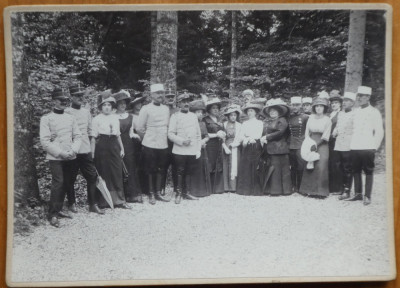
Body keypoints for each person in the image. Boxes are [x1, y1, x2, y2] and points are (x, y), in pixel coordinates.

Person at [40, 88, 82, 227]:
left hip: (70, 156)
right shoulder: (46, 119)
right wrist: (60, 153)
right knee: (58, 182)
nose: (64, 102)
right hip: (56, 157)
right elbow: (45, 141)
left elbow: (78, 136)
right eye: (60, 100)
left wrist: (74, 150)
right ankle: (52, 215)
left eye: (65, 100)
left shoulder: (71, 118)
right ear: (54, 101)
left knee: (67, 183)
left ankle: (58, 209)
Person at [65, 84, 104, 215]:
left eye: (81, 95)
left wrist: (92, 149)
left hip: (86, 149)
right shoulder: (66, 112)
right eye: (77, 96)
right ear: (71, 97)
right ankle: (71, 203)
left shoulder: (86, 112)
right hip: (72, 150)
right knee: (70, 177)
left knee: (92, 176)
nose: (80, 98)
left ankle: (92, 204)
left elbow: (90, 131)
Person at [91, 91, 131, 209]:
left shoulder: (115, 118)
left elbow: (118, 135)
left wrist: (122, 149)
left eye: (109, 105)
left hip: (114, 145)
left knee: (117, 172)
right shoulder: (96, 119)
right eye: (104, 105)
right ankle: (104, 201)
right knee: (104, 172)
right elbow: (93, 137)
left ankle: (119, 200)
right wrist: (92, 153)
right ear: (101, 107)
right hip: (102, 145)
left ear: (112, 107)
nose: (107, 107)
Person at [348, 86, 384, 205]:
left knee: (368, 171)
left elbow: (379, 131)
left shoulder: (374, 112)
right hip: (355, 146)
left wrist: (374, 147)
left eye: (362, 96)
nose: (359, 98)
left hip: (368, 146)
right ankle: (358, 194)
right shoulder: (356, 112)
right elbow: (352, 129)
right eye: (358, 96)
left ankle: (367, 196)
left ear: (368, 97)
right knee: (355, 170)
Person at [137, 83, 170, 204]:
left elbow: (166, 125)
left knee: (161, 168)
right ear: (152, 95)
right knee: (150, 168)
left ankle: (157, 192)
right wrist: (147, 138)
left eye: (162, 93)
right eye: (158, 93)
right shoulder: (146, 108)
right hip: (150, 142)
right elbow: (140, 127)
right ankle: (150, 193)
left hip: (163, 142)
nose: (160, 95)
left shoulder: (166, 109)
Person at [168, 92, 201, 204]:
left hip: (191, 149)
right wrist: (182, 141)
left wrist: (198, 149)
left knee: (188, 171)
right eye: (183, 102)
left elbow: (198, 134)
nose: (186, 104)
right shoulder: (175, 116)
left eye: (187, 101)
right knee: (179, 171)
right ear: (179, 104)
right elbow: (170, 134)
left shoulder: (193, 116)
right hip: (179, 149)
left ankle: (187, 192)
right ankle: (178, 193)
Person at [114, 90, 143, 203]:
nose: (122, 105)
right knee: (119, 169)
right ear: (116, 104)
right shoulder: (113, 116)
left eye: (124, 103)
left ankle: (132, 195)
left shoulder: (130, 116)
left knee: (130, 168)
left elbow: (131, 132)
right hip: (117, 144)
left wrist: (138, 137)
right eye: (120, 103)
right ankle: (121, 196)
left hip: (129, 145)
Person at [299, 97, 332, 198]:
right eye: (317, 106)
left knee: (321, 165)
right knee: (309, 163)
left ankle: (321, 192)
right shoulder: (311, 118)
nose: (318, 108)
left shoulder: (327, 120)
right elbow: (307, 132)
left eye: (321, 106)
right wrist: (308, 143)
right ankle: (308, 190)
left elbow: (326, 135)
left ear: (324, 108)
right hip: (310, 141)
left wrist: (316, 144)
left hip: (322, 143)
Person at [261, 98, 292, 196]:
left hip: (280, 148)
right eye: (271, 111)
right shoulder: (269, 122)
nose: (272, 113)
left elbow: (280, 132)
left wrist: (267, 137)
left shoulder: (282, 120)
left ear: (279, 112)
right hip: (272, 148)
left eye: (274, 111)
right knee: (275, 169)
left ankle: (285, 191)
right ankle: (275, 190)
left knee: (282, 170)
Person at [331, 92, 356, 200]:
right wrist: (334, 131)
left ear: (352, 103)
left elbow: (356, 129)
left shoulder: (355, 114)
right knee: (338, 165)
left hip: (348, 143)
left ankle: (347, 190)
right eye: (344, 101)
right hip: (339, 143)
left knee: (347, 167)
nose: (345, 103)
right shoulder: (340, 113)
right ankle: (340, 188)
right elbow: (338, 125)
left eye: (347, 101)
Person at [236, 103, 264, 196]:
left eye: (251, 111)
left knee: (255, 166)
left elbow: (258, 135)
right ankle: (245, 190)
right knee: (245, 166)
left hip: (255, 145)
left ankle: (255, 190)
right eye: (248, 111)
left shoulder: (259, 123)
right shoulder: (245, 123)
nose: (249, 113)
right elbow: (241, 135)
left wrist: (248, 138)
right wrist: (245, 139)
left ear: (255, 112)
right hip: (246, 146)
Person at [189, 100, 212, 197]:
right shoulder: (189, 123)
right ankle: (193, 190)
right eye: (198, 112)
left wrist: (203, 141)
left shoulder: (202, 124)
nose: (200, 114)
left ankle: (203, 191)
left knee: (202, 168)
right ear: (193, 113)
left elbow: (207, 136)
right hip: (192, 149)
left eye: (201, 112)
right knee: (193, 168)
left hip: (202, 149)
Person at [203, 95, 225, 194]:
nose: (216, 110)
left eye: (217, 108)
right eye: (213, 108)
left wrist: (223, 134)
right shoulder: (205, 120)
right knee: (210, 164)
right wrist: (216, 134)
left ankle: (217, 188)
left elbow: (223, 131)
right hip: (209, 145)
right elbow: (203, 134)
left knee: (218, 164)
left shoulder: (220, 120)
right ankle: (208, 188)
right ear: (209, 109)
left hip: (218, 145)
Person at [288, 96, 309, 193]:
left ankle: (301, 186)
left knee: (301, 166)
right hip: (291, 144)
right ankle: (293, 186)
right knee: (293, 166)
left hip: (301, 144)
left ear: (300, 106)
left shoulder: (305, 117)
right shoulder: (289, 117)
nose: (295, 107)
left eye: (297, 105)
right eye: (293, 105)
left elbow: (308, 131)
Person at [129, 92, 148, 196]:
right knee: (137, 164)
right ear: (133, 105)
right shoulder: (131, 116)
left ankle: (146, 188)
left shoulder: (145, 114)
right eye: (136, 103)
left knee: (146, 164)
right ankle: (138, 188)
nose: (139, 105)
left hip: (146, 140)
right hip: (136, 142)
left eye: (140, 103)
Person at [221, 104, 242, 193]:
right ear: (228, 116)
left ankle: (233, 187)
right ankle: (226, 187)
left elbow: (241, 137)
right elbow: (221, 138)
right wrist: (225, 147)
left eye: (234, 115)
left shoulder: (239, 125)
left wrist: (236, 143)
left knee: (235, 164)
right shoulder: (224, 124)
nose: (233, 117)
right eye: (231, 115)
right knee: (226, 164)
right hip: (226, 146)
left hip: (235, 146)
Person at [328, 90, 344, 194]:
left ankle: (340, 188)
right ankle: (331, 187)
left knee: (337, 164)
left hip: (336, 141)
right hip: (329, 141)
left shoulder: (341, 114)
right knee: (330, 163)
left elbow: (340, 128)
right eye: (332, 103)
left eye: (336, 103)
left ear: (340, 104)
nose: (334, 105)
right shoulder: (330, 114)